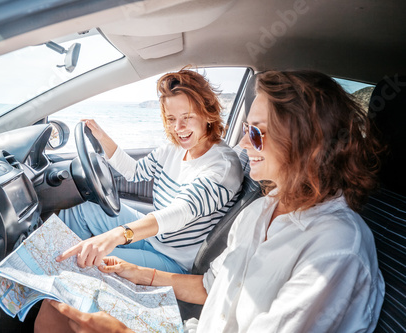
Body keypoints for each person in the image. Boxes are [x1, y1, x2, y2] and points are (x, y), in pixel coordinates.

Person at [35, 70, 385, 333]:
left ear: (309, 142)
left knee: (63, 311)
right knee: (57, 305)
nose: (245, 147)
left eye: (256, 133)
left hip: (182, 285)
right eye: (246, 130)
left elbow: (181, 213)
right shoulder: (260, 212)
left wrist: (124, 329)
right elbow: (210, 287)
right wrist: (134, 273)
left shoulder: (336, 247)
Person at [57, 67, 243, 274]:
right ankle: (60, 262)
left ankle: (65, 274)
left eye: (187, 117)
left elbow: (179, 213)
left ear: (208, 114)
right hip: (154, 237)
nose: (178, 128)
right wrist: (101, 136)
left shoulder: (222, 167)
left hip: (173, 259)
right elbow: (134, 172)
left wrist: (117, 235)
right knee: (81, 206)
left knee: (82, 260)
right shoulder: (174, 148)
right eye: (171, 119)